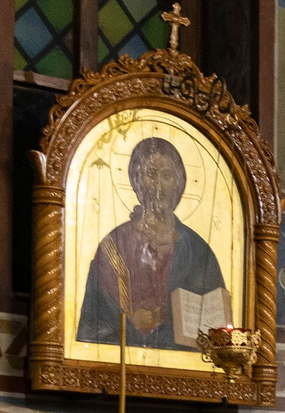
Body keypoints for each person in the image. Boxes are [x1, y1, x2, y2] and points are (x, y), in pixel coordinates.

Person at [76, 136, 232, 350]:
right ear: (136, 181)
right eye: (150, 174)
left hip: (184, 368)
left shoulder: (198, 251)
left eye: (167, 175)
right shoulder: (114, 245)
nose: (158, 185)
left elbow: (218, 333)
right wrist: (129, 322)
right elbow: (91, 325)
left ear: (179, 182)